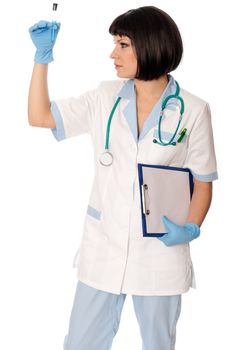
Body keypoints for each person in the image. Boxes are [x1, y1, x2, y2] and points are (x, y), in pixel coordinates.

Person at [28, 5, 218, 350]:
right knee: (80, 344)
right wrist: (42, 58)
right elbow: (40, 116)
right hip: (103, 248)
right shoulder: (104, 97)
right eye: (116, 44)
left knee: (158, 345)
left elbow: (203, 182)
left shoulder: (193, 108)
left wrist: (191, 227)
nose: (112, 53)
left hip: (160, 252)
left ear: (150, 45)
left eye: (123, 44)